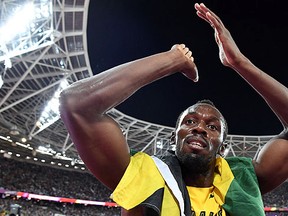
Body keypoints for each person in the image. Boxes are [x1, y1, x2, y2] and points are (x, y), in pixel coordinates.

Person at [59, 3, 288, 216]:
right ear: (173, 136)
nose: (199, 128)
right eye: (189, 122)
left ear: (224, 148)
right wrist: (172, 60)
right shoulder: (144, 174)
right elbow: (76, 105)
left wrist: (240, 63)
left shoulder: (244, 181)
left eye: (212, 127)